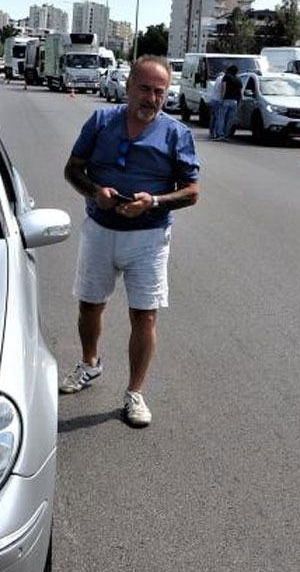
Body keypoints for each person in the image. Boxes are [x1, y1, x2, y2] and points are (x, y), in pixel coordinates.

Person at [59, 55, 200, 427]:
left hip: (148, 238)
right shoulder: (101, 122)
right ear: (127, 87)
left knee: (145, 314)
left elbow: (191, 192)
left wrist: (152, 202)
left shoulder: (176, 134)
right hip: (100, 230)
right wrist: (95, 192)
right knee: (90, 305)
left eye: (159, 91)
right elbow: (72, 169)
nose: (151, 98)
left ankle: (135, 392)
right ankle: (90, 363)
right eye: (145, 88)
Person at [214, 65, 242, 141]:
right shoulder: (238, 79)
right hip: (234, 101)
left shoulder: (226, 77)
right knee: (230, 119)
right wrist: (239, 101)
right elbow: (240, 92)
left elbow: (224, 88)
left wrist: (221, 98)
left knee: (221, 118)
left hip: (226, 100)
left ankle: (220, 134)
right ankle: (227, 134)